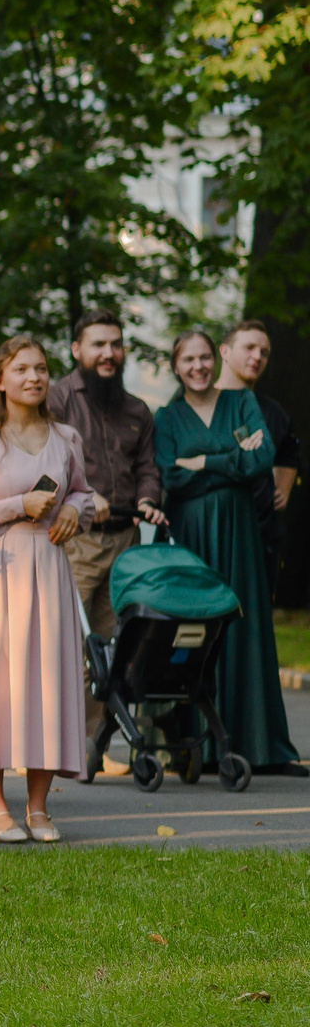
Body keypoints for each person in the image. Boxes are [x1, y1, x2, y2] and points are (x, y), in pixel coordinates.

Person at [0, 337, 97, 842]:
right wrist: (15, 506)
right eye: (23, 369)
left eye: (41, 368)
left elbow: (83, 489)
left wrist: (76, 507)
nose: (34, 377)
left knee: (48, 680)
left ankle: (37, 807)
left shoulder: (67, 437)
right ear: (1, 380)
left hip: (51, 569)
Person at [156, 329, 296, 773]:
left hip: (239, 534)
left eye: (203, 358)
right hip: (192, 534)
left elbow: (262, 461)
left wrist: (204, 462)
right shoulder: (167, 416)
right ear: (176, 366)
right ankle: (199, 744)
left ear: (215, 360)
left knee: (244, 627)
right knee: (195, 629)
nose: (197, 367)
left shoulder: (240, 404)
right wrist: (231, 461)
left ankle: (256, 744)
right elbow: (170, 477)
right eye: (187, 360)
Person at [47, 312, 166, 779]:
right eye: (98, 344)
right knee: (68, 646)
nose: (108, 354)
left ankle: (94, 748)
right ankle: (56, 747)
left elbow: (148, 467)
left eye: (115, 345)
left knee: (112, 649)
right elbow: (44, 458)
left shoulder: (137, 409)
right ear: (76, 349)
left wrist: (148, 498)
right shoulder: (55, 399)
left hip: (126, 541)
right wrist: (76, 494)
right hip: (74, 539)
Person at [220, 321, 302, 643]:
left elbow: (290, 454)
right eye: (249, 348)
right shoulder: (198, 403)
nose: (257, 357)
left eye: (264, 352)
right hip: (213, 536)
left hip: (260, 540)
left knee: (250, 633)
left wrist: (282, 489)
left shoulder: (273, 413)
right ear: (225, 352)